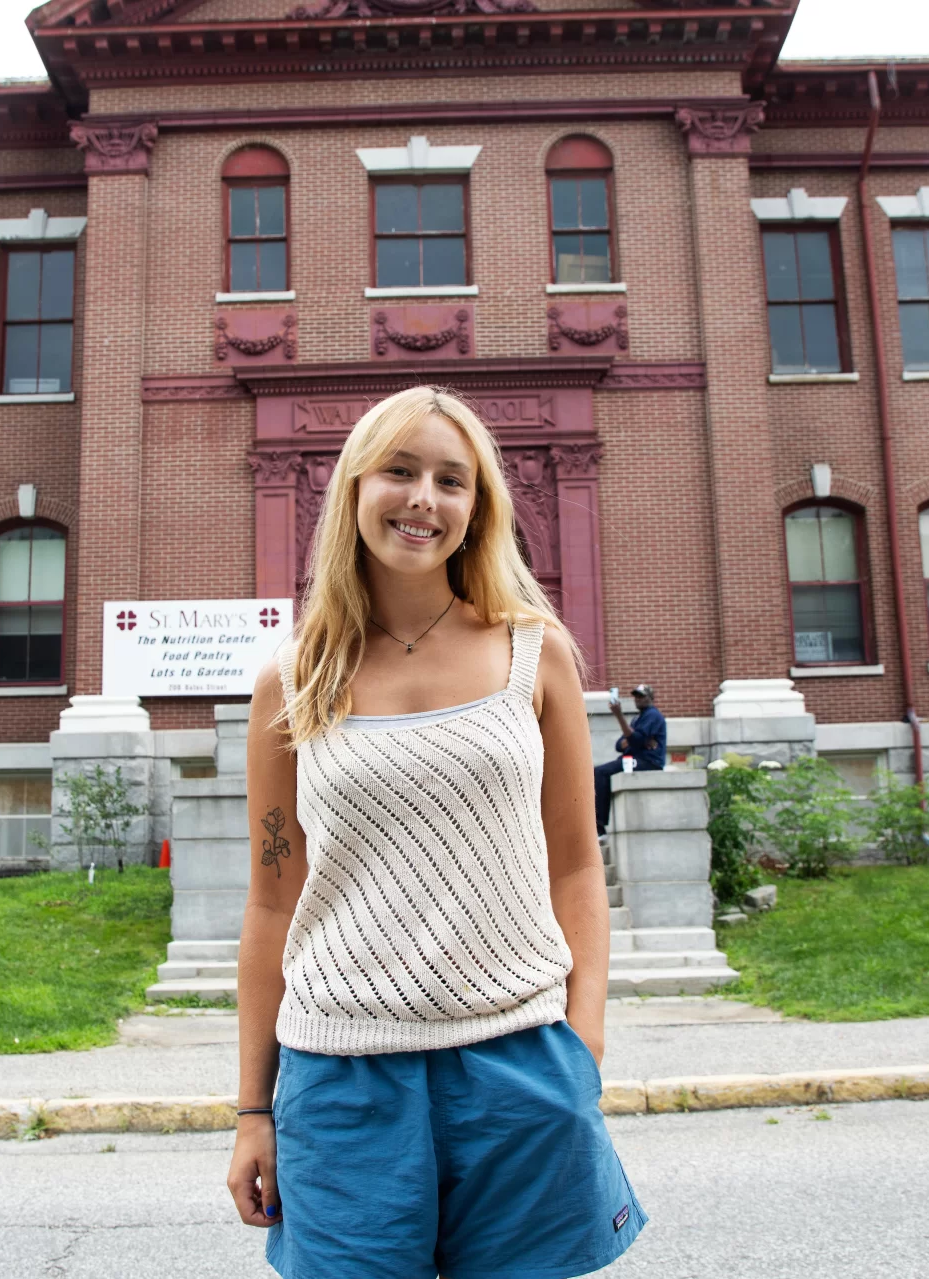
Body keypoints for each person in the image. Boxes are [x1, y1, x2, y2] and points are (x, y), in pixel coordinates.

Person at [226, 384, 646, 1279]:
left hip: (519, 1063)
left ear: (476, 508)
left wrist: (583, 1046)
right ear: (354, 489)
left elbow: (576, 866)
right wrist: (251, 1110)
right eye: (401, 470)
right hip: (340, 1079)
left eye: (451, 480)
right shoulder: (290, 679)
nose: (424, 498)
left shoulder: (535, 652)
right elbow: (271, 903)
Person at [593, 684, 666, 835]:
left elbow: (635, 739)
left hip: (648, 761)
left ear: (651, 698)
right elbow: (619, 745)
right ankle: (598, 823)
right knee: (599, 772)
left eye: (642, 696)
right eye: (636, 696)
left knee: (601, 773)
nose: (638, 699)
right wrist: (632, 738)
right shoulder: (637, 719)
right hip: (634, 758)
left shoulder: (653, 715)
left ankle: (599, 826)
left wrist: (619, 716)